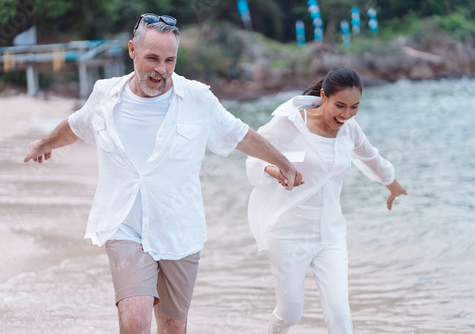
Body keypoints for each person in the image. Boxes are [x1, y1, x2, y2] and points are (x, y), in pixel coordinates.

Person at [23, 14, 303, 334]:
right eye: (152, 58)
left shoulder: (197, 98)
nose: (162, 69)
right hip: (124, 224)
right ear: (132, 50)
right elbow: (76, 125)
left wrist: (286, 164)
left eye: (170, 60)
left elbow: (240, 135)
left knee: (173, 326)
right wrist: (44, 143)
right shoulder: (106, 94)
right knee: (135, 320)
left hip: (179, 230)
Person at [246, 67, 407, 334]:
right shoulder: (290, 123)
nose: (346, 115)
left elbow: (370, 158)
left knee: (341, 318)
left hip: (330, 236)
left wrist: (393, 185)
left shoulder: (349, 129)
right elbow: (253, 156)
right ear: (324, 96)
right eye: (340, 106)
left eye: (354, 107)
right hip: (289, 235)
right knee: (289, 314)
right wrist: (275, 171)